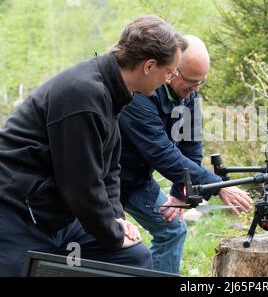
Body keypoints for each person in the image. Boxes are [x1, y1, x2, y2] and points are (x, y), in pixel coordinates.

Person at [0, 15, 187, 276]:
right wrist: (112, 234)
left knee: (132, 258)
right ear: (149, 66)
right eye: (169, 72)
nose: (169, 79)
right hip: (17, 211)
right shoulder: (83, 94)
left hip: (57, 212)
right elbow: (80, 185)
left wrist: (116, 218)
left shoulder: (115, 92)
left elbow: (109, 168)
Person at [118, 35, 253, 274]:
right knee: (112, 244)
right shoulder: (140, 95)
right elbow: (161, 153)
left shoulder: (189, 94)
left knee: (172, 228)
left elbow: (190, 147)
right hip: (106, 180)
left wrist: (180, 193)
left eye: (201, 82)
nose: (196, 89)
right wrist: (218, 185)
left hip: (137, 181)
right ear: (172, 70)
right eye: (191, 81)